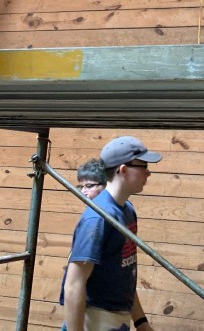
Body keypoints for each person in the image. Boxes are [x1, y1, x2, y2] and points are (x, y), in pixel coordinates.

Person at [62, 136, 161, 331]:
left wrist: (141, 322)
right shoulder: (97, 218)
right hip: (96, 321)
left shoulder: (127, 210)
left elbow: (125, 272)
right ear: (123, 170)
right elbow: (73, 285)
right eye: (143, 166)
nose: (148, 173)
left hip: (119, 319)